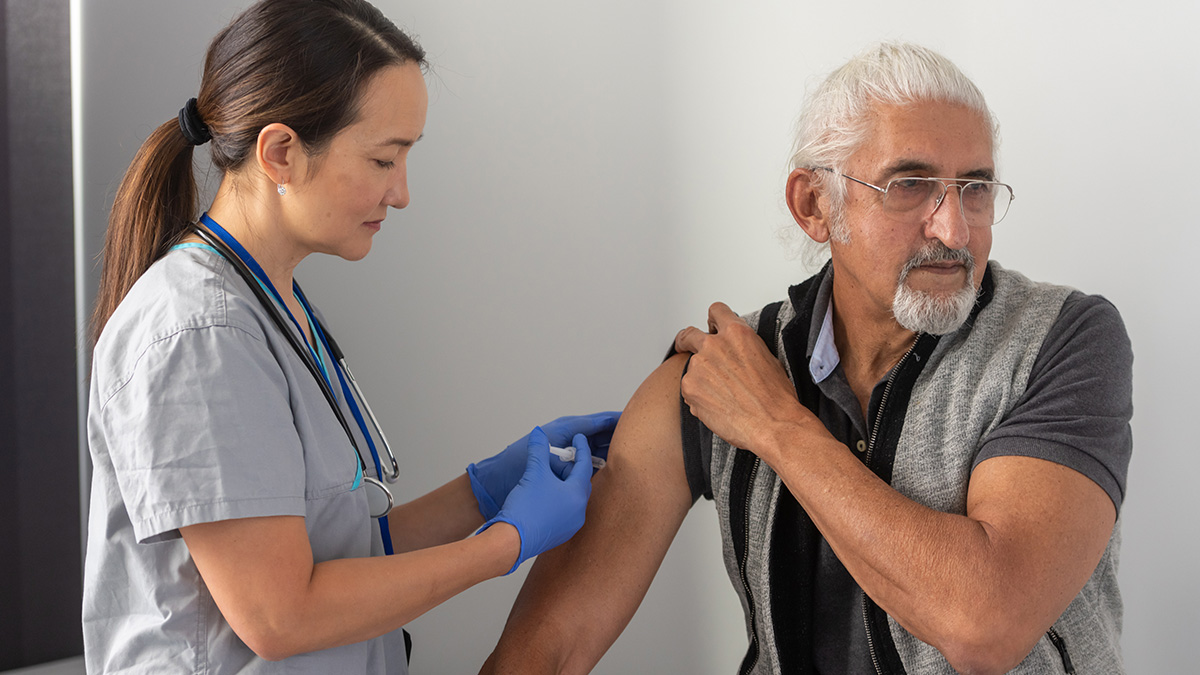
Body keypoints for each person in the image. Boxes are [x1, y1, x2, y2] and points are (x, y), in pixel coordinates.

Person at [481, 42, 1132, 675]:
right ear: (814, 204)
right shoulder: (720, 372)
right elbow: (548, 650)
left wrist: (774, 425)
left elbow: (985, 622)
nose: (954, 229)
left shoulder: (1063, 339)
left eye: (976, 189)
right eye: (911, 185)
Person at [83, 1, 617, 672]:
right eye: (383, 159)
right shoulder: (199, 334)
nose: (401, 194)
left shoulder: (271, 303)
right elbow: (281, 613)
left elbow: (344, 552)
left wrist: (484, 490)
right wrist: (502, 543)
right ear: (281, 152)